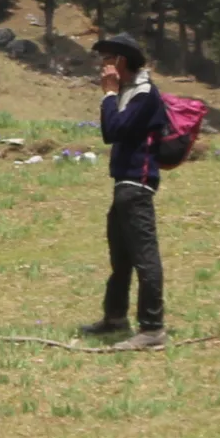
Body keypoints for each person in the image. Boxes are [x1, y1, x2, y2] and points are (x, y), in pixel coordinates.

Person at [85, 33, 167, 349]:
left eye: (106, 59)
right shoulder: (132, 92)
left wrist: (108, 94)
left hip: (137, 186)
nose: (102, 66)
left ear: (120, 62)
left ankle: (152, 329)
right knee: (120, 257)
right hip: (123, 186)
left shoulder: (144, 94)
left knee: (145, 258)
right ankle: (115, 318)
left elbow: (112, 131)